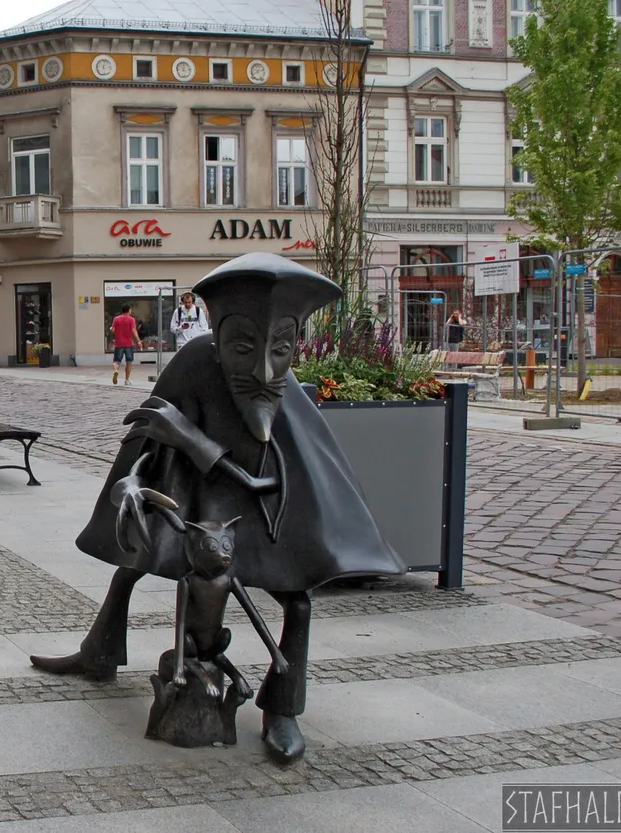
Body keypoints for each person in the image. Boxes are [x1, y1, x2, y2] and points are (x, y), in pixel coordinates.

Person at [29, 253, 406, 763]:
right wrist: (131, 488)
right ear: (221, 334)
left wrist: (192, 440)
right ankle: (98, 654)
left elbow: (280, 479)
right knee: (130, 568)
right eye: (244, 348)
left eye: (281, 350)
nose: (264, 371)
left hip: (265, 513)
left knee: (295, 602)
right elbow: (141, 451)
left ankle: (282, 709)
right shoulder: (194, 364)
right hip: (200, 507)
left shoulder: (282, 389)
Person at [110, 304, 140, 386]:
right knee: (129, 362)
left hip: (118, 344)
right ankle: (127, 380)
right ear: (129, 310)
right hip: (129, 344)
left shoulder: (116, 319)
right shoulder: (131, 319)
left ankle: (116, 370)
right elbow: (134, 330)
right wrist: (138, 341)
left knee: (116, 361)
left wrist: (111, 329)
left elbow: (113, 330)